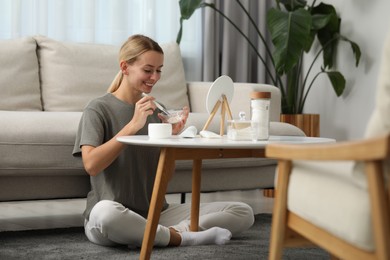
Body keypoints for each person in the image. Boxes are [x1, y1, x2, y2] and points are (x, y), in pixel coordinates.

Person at [72, 34, 254, 248]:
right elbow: (91, 165)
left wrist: (173, 139)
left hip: (157, 213)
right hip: (112, 214)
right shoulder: (98, 109)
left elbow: (164, 177)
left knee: (243, 212)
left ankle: (164, 234)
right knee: (105, 214)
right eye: (148, 70)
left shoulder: (157, 111)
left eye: (159, 70)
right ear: (124, 67)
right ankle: (182, 238)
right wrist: (132, 126)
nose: (155, 77)